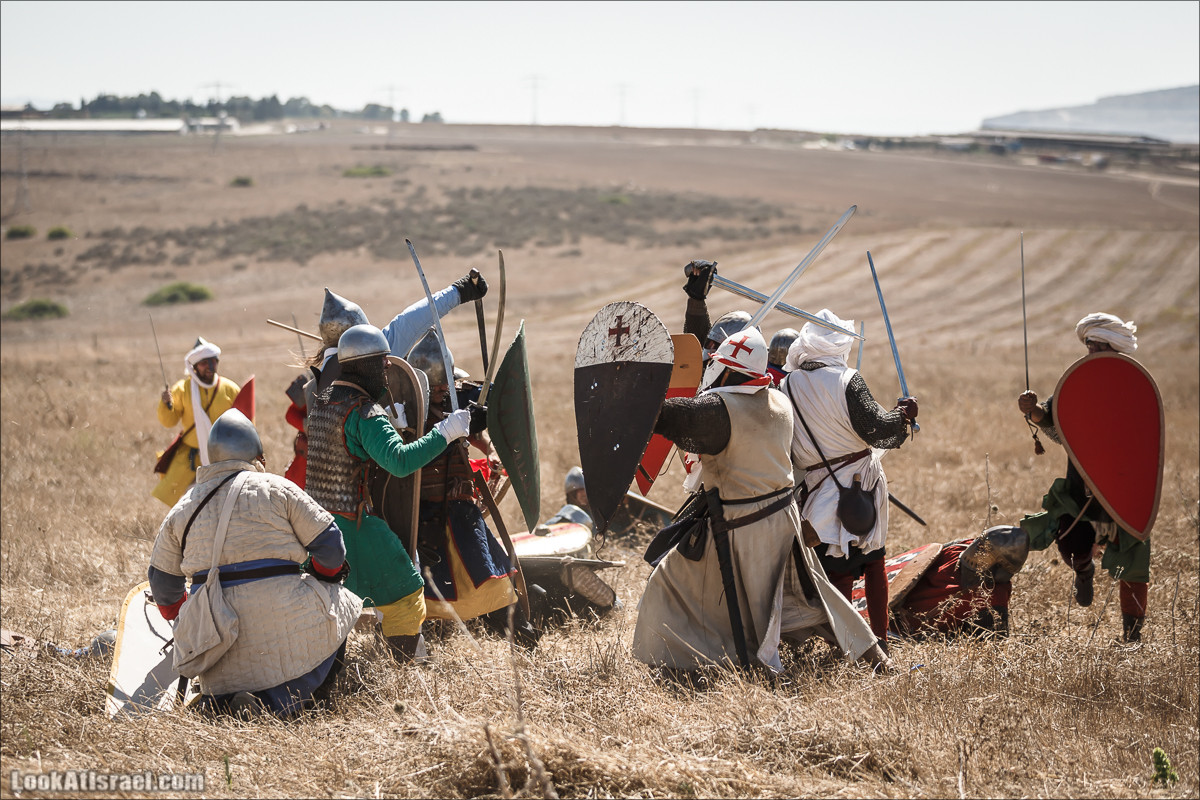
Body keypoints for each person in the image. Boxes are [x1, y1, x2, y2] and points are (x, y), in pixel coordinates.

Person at [631, 262, 890, 673]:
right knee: (814, 593)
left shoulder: (719, 409)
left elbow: (678, 410)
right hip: (783, 518)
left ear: (727, 363)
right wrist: (696, 304)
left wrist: (633, 399)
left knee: (675, 586)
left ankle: (709, 661)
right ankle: (872, 654)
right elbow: (696, 367)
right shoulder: (778, 397)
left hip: (735, 520)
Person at [148, 409, 362, 719]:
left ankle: (222, 701)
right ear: (258, 456)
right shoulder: (279, 489)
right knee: (341, 602)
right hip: (286, 629)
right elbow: (332, 550)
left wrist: (196, 615)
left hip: (213, 645)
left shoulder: (183, 507)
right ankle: (294, 702)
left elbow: (163, 588)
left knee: (225, 667)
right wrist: (319, 578)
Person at [305, 324, 477, 661]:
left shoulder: (323, 400)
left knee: (329, 597)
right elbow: (399, 462)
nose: (387, 368)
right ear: (365, 364)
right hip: (350, 526)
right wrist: (447, 431)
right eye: (382, 361)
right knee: (405, 591)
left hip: (312, 523)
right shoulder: (364, 413)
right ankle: (406, 669)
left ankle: (326, 668)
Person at [780, 308, 917, 653]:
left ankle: (846, 644)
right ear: (838, 343)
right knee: (872, 563)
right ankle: (876, 642)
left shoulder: (786, 384)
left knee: (835, 569)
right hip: (860, 480)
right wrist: (903, 415)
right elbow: (880, 431)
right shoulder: (847, 379)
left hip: (816, 487)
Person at [1017, 312, 1151, 642]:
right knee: (1070, 540)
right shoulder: (1078, 383)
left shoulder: (1132, 384)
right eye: (1089, 344)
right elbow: (1052, 418)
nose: (1091, 350)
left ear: (1114, 347)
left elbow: (1146, 434)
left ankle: (1131, 637)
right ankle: (1084, 570)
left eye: (1098, 345)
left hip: (1122, 487)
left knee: (1132, 562)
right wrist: (1031, 410)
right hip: (1081, 484)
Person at [405, 330, 526, 636]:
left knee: (488, 580)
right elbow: (431, 441)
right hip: (427, 516)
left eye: (445, 383)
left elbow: (482, 411)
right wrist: (462, 424)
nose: (443, 389)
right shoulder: (407, 413)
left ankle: (520, 635)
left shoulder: (451, 399)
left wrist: (488, 436)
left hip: (460, 512)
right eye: (436, 385)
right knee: (428, 586)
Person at [889, 526, 1029, 638]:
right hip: (889, 616)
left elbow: (989, 647)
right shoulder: (958, 547)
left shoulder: (991, 600)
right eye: (978, 545)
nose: (976, 551)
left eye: (985, 552)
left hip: (899, 627)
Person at [153, 338, 241, 507]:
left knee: (226, 501)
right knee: (186, 506)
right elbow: (169, 421)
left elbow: (244, 424)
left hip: (223, 457)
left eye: (213, 361)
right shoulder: (182, 389)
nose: (210, 367)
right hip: (190, 459)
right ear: (194, 366)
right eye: (204, 363)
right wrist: (165, 405)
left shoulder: (231, 389)